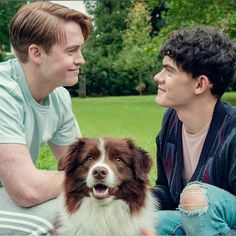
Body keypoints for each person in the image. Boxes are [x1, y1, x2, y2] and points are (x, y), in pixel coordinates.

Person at [0, 1, 92, 235]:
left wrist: (93, 177)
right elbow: (27, 189)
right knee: (53, 219)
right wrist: (96, 179)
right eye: (71, 51)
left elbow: (84, 163)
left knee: (90, 209)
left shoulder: (58, 97)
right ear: (36, 53)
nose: (80, 59)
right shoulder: (3, 92)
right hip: (11, 194)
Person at [151, 26, 236, 235]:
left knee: (195, 199)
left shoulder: (232, 132)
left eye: (169, 71)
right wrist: (133, 201)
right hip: (192, 222)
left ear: (200, 84)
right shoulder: (171, 121)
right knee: (146, 222)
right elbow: (166, 190)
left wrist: (197, 205)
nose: (157, 77)